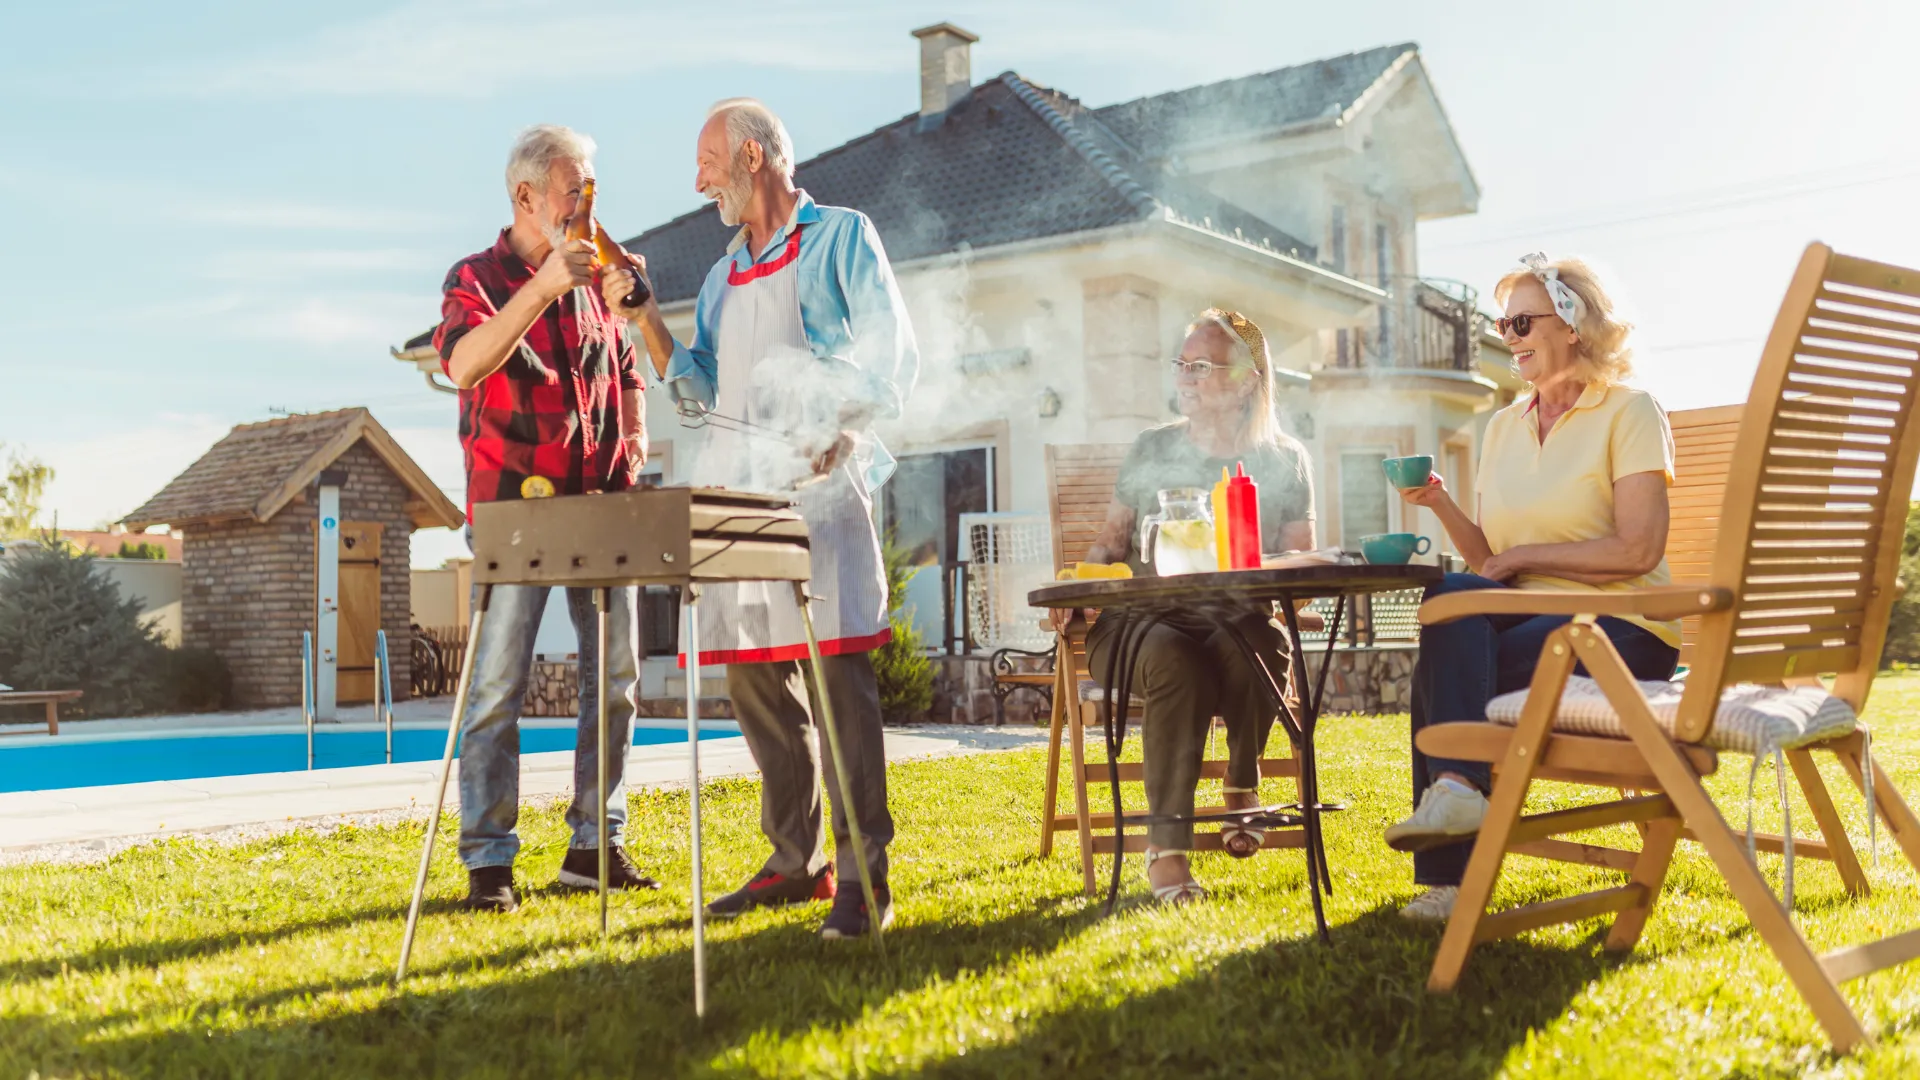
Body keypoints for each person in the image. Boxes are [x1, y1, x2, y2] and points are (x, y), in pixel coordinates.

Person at [606, 99, 917, 939]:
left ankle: (863, 878)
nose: (697, 179)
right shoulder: (719, 276)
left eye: (707, 160)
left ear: (750, 157)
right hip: (734, 493)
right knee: (753, 682)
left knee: (838, 685)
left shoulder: (840, 238)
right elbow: (698, 391)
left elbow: (894, 353)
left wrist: (849, 426)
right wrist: (645, 320)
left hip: (818, 493)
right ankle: (795, 861)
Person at [1386, 254, 1680, 921]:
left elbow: (1640, 548)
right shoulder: (1502, 426)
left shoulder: (1630, 411)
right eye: (1503, 322)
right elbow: (1493, 563)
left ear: (1572, 324)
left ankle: (1452, 869)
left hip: (1625, 630)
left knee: (1447, 668)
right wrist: (1439, 505)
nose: (1509, 335)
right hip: (1527, 619)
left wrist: (1526, 555)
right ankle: (1460, 794)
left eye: (1522, 321)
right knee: (1450, 600)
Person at [434, 124, 655, 912]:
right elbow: (463, 363)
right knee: (498, 687)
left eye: (591, 185)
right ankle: (490, 862)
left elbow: (628, 372)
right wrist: (544, 289)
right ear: (527, 196)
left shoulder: (601, 281)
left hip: (600, 508)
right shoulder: (478, 278)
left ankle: (596, 846)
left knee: (616, 684)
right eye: (574, 187)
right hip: (513, 514)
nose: (586, 201)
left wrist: (633, 443)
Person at [1069, 309, 1316, 904]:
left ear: (1247, 379)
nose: (1185, 376)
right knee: (1176, 658)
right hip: (1139, 626)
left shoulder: (1282, 460)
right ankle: (1167, 852)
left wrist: (1271, 575)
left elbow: (1299, 567)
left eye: (1200, 366)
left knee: (1265, 642)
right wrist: (1077, 585)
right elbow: (1109, 541)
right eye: (1181, 364)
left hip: (1237, 621)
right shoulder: (1152, 448)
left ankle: (1240, 784)